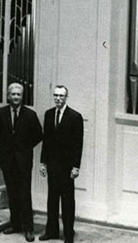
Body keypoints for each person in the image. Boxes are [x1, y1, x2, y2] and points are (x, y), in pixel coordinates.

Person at [0, 83, 43, 242]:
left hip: (23, 161)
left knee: (24, 194)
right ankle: (15, 224)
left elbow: (38, 135)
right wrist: (9, 147)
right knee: (12, 193)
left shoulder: (30, 115)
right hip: (7, 160)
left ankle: (28, 229)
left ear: (22, 97)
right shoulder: (1, 113)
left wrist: (24, 148)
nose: (15, 97)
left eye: (18, 94)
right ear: (8, 96)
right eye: (13, 94)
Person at [39, 85, 83, 243]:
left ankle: (68, 234)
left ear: (66, 97)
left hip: (67, 168)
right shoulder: (49, 114)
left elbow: (78, 144)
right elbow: (46, 141)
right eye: (56, 95)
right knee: (52, 199)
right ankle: (51, 231)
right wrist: (43, 163)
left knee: (67, 202)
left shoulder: (75, 117)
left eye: (61, 96)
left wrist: (76, 167)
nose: (58, 98)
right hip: (52, 165)